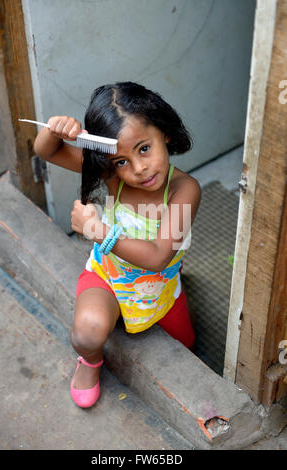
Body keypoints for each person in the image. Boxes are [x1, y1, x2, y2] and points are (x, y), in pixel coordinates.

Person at [34, 81, 201, 409]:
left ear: (164, 133)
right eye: (122, 160)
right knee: (87, 334)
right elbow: (47, 151)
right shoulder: (112, 172)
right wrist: (54, 130)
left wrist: (99, 233)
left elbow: (157, 258)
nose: (139, 169)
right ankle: (91, 362)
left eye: (143, 148)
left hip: (159, 285)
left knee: (188, 348)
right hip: (108, 277)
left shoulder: (184, 189)